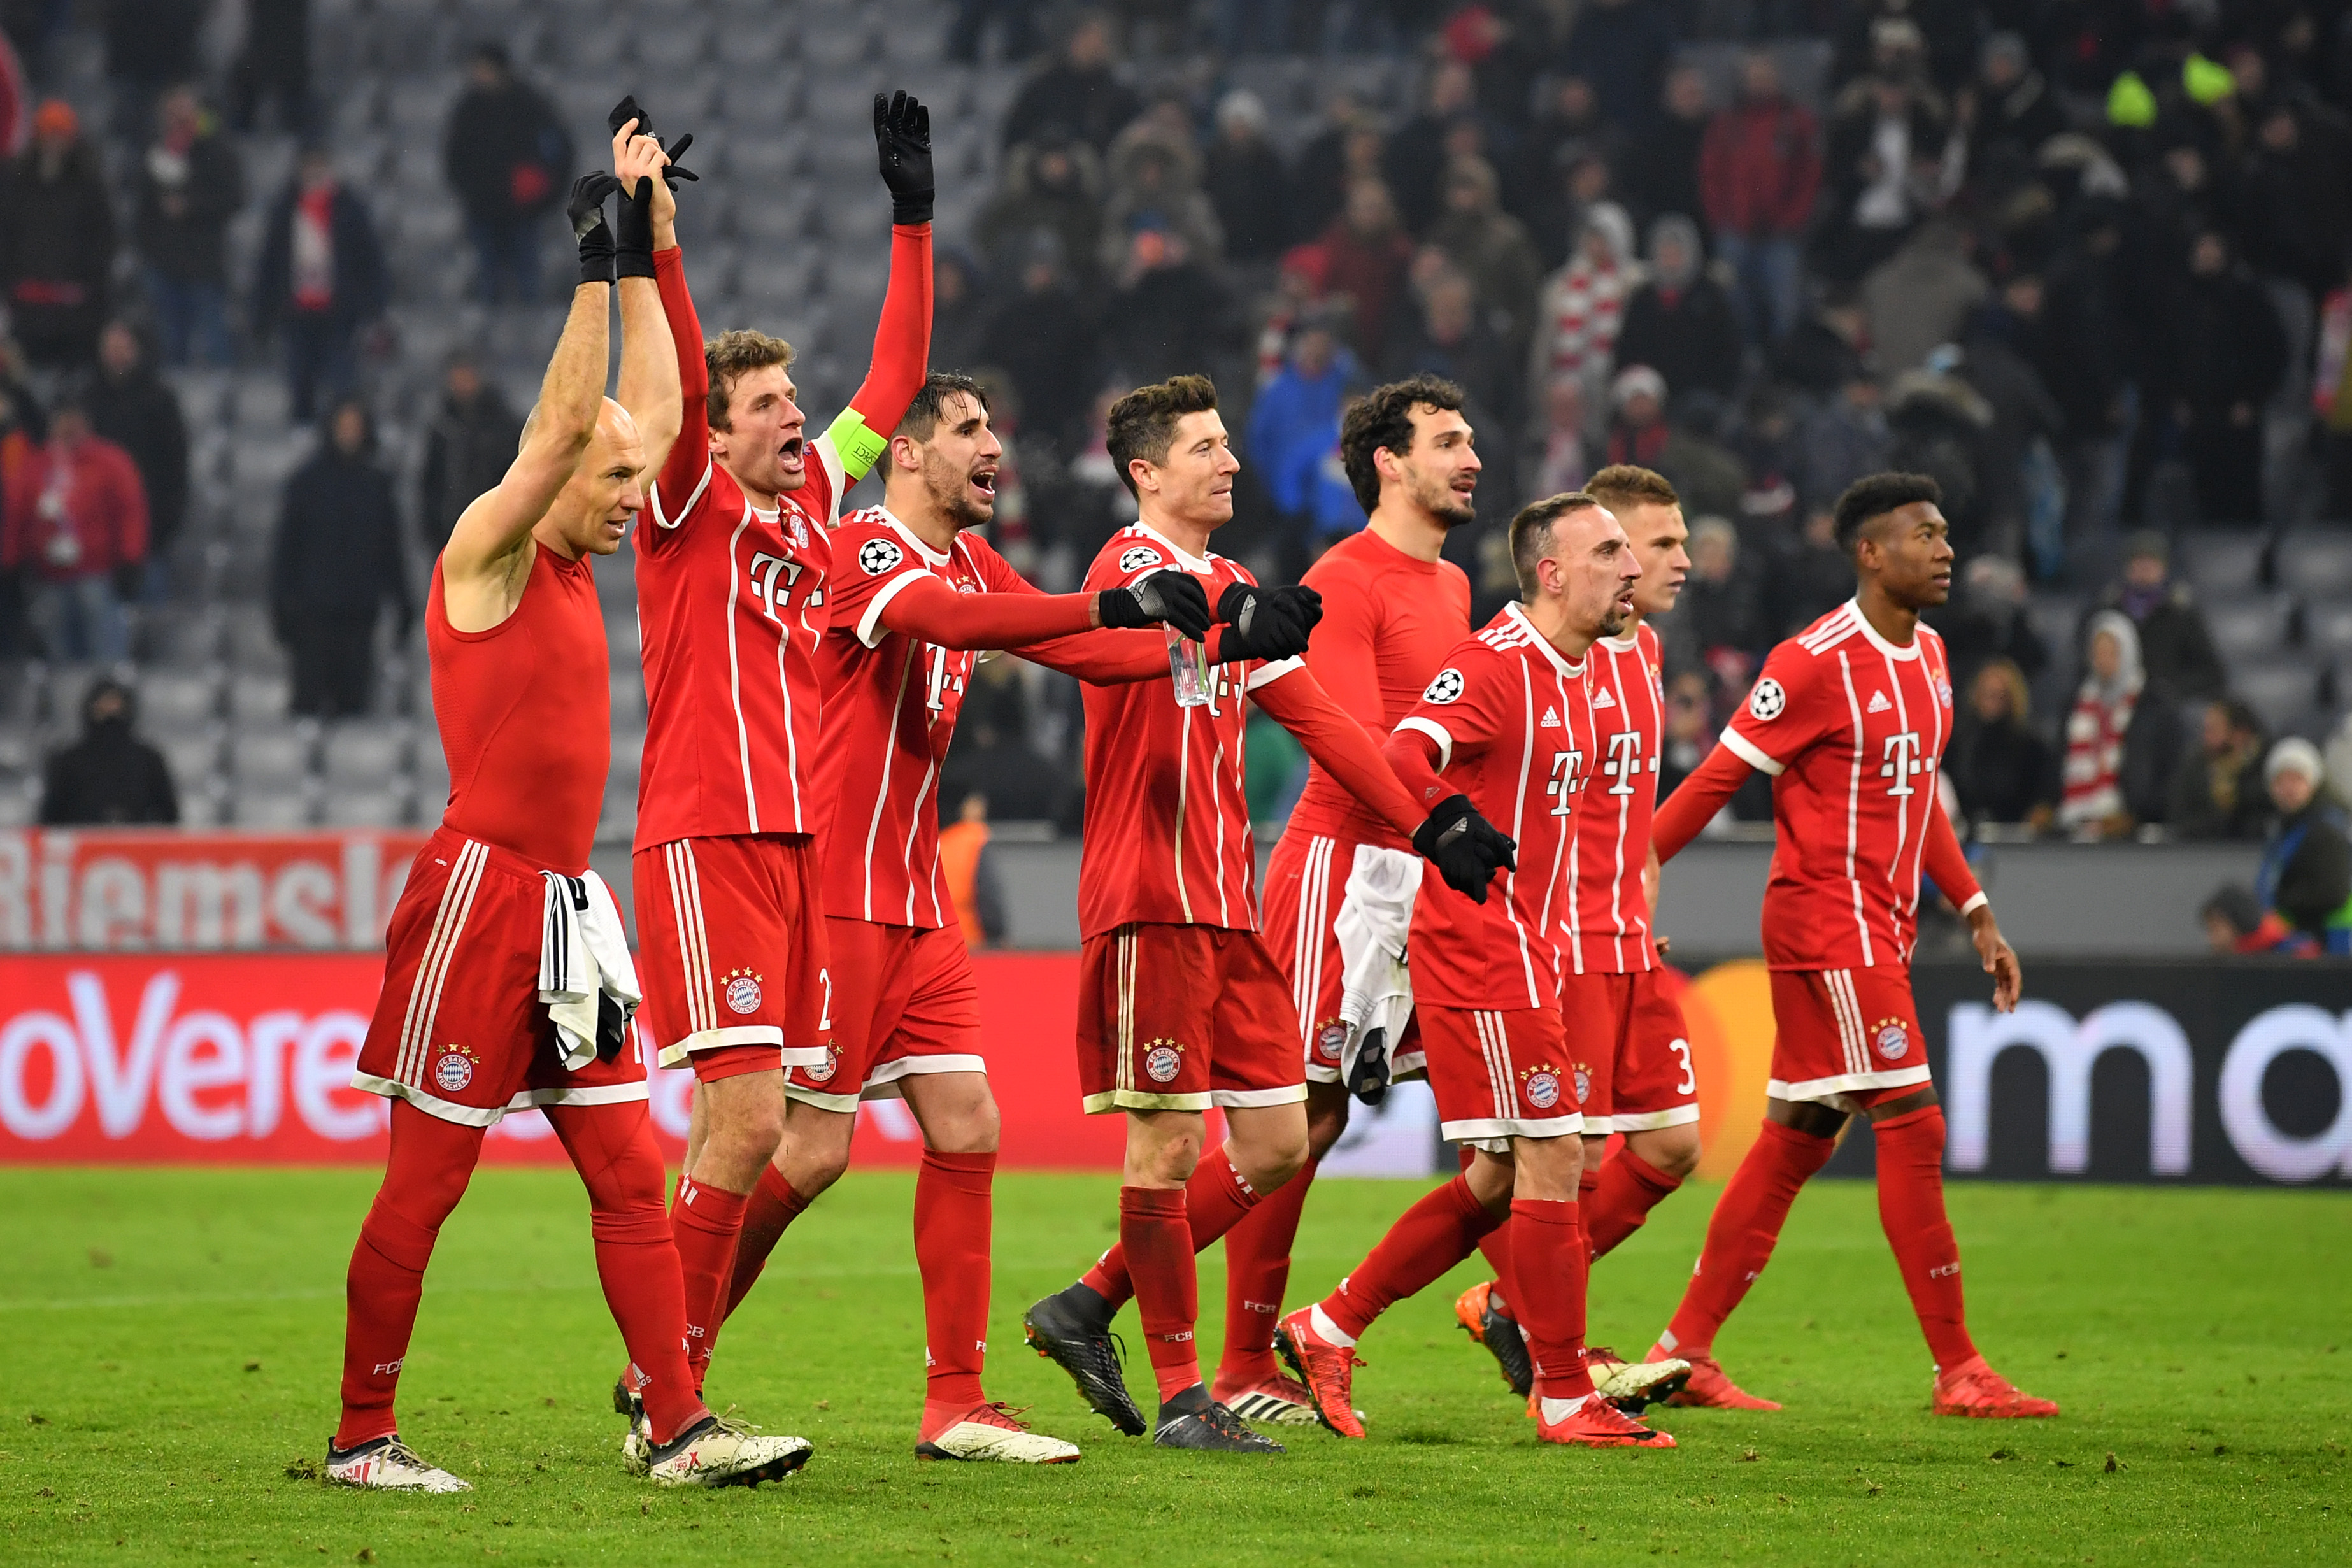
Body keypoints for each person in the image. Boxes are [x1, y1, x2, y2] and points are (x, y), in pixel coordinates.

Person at [329, 123, 805, 1493]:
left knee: (626, 1168)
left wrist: (652, 241)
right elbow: (565, 429)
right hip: (478, 896)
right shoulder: (483, 553)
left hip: (567, 912)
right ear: (552, 483)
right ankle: (364, 1437)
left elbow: (648, 417)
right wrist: (592, 272)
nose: (625, 505)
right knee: (425, 1184)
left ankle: (675, 1424)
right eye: (608, 488)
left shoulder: (581, 556)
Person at [714, 373, 1209, 1464]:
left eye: (996, 424)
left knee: (967, 1126)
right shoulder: (867, 547)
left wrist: (1217, 639)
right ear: (906, 453)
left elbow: (1066, 646)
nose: (996, 444)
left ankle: (956, 1403)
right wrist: (1109, 603)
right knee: (809, 1151)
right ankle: (669, 1358)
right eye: (969, 429)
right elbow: (958, 621)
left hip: (917, 900)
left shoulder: (966, 555)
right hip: (834, 894)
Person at [1020, 373, 1513, 1454]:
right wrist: (1224, 624)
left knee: (1284, 1134)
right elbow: (1105, 649)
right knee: (1161, 1151)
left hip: (1226, 901)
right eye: (1204, 447)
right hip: (1149, 890)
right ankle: (1189, 1394)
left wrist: (1430, 825)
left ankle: (1085, 1308)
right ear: (1147, 472)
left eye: (1228, 442)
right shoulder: (1128, 566)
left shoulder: (1234, 579)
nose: (1230, 460)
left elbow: (1326, 722)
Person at [625, 90, 937, 1411]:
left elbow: (892, 383)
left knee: (764, 1132)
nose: (796, 418)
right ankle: (674, 1391)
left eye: (793, 399)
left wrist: (912, 220)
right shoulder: (684, 495)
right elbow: (681, 366)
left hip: (792, 847)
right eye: (765, 404)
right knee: (752, 1123)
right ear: (718, 422)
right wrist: (660, 251)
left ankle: (665, 1383)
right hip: (702, 832)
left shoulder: (812, 496)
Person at [1628, 471, 2055, 1419]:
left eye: (1946, 532)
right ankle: (1959, 1370)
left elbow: (1919, 797)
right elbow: (1713, 779)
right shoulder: (1812, 660)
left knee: (1797, 1137)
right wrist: (1619, 873)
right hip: (1828, 920)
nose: (1945, 548)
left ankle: (1684, 1348)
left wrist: (1975, 906)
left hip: (1881, 925)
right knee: (1916, 1121)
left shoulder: (1934, 654)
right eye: (1924, 533)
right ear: (1870, 552)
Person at [1276, 488, 1683, 1450]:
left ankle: (1328, 1324)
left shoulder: (1587, 671)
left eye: (1634, 550)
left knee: (1503, 1174)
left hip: (1546, 947)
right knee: (1555, 1156)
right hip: (1480, 946)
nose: (1630, 568)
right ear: (1550, 571)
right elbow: (1403, 747)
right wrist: (1443, 821)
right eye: (1610, 551)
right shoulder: (1497, 664)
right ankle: (1561, 1392)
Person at [1209, 374, 1481, 1427]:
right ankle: (1234, 1358)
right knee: (1304, 1116)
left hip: (1417, 868)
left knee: (1458, 1128)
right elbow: (1356, 739)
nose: (1468, 458)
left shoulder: (1450, 584)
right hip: (1340, 868)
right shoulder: (1346, 576)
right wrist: (1445, 826)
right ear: (1389, 460)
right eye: (1447, 441)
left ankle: (1317, 1331)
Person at [1446, 462, 1702, 1402]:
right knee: (1539, 1161)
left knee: (1663, 1147)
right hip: (1551, 938)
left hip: (1619, 932)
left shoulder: (1641, 652)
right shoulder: (1544, 657)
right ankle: (1551, 1346)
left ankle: (1529, 1319)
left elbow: (1626, 811)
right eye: (1640, 544)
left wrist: (1641, 902)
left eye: (1664, 546)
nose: (1656, 562)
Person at [269, 398, 412, 718]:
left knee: (355, 706)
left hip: (359, 613)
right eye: (344, 427)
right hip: (313, 613)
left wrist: (402, 601)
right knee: (308, 703)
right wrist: (281, 604)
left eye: (356, 428)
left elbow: (390, 549)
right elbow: (287, 550)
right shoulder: (306, 484)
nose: (349, 434)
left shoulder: (377, 486)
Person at [0, 398, 146, 662]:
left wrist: (130, 559)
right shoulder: (37, 465)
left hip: (97, 573)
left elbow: (130, 512)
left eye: (74, 419)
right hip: (48, 578)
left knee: (104, 651)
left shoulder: (110, 462)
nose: (68, 427)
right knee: (57, 655)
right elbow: (18, 517)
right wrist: (11, 563)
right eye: (62, 419)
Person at [253, 147, 390, 422]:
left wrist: (372, 307)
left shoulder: (350, 210)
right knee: (300, 382)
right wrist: (263, 311)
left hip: (339, 312)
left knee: (342, 385)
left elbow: (369, 261)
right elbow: (271, 264)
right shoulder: (285, 211)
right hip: (297, 313)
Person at [1699, 52, 1821, 345]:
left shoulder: (1796, 122)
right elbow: (1710, 175)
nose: (1759, 84)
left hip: (1782, 234)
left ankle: (1784, 368)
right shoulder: (1726, 123)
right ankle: (1745, 365)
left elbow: (1811, 175)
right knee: (1731, 307)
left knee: (1786, 307)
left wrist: (1794, 219)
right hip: (1735, 231)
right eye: (1754, 77)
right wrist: (1721, 220)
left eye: (1765, 77)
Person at [442, 43, 571, 304]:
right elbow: (455, 156)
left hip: (523, 208)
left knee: (527, 277)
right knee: (488, 278)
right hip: (483, 208)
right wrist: (470, 192)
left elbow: (558, 153)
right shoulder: (468, 109)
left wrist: (543, 194)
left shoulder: (529, 105)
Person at [0, 100, 115, 367]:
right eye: (48, 133)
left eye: (60, 134)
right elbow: (7, 235)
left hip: (75, 305)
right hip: (26, 301)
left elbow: (103, 239)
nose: (53, 142)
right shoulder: (17, 182)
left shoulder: (89, 184)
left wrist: (88, 284)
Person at [83, 320, 189, 598]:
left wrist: (164, 523)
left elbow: (175, 468)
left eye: (123, 347)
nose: (116, 354)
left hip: (150, 528)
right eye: (110, 347)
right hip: (94, 540)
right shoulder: (86, 400)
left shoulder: (160, 401)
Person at [2057, 611, 2177, 838]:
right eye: (2098, 653)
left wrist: (2137, 815)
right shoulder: (2075, 705)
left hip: (2133, 829)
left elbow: (2165, 769)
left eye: (2112, 652)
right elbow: (2059, 761)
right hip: (2074, 824)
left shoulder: (2153, 706)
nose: (2104, 661)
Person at [2081, 534, 2225, 703]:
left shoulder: (2181, 613)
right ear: (2127, 567)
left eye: (2151, 561)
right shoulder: (2105, 610)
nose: (2145, 568)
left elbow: (2211, 673)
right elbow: (2084, 664)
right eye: (2139, 561)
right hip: (2112, 702)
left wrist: (2172, 690)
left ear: (2164, 568)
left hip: (2165, 709)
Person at [1614, 215, 1743, 404]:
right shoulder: (1642, 297)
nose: (1670, 259)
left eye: (1677, 252)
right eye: (1665, 252)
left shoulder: (1711, 296)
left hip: (1700, 393)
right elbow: (1628, 350)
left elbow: (1728, 353)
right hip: (1649, 395)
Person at [419, 353, 525, 555]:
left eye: (466, 375)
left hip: (496, 535)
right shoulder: (441, 426)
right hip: (451, 537)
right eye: (457, 376)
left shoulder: (505, 424)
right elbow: (430, 484)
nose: (462, 383)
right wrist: (433, 533)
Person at [38, 676, 177, 825]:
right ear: (90, 707)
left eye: (115, 703)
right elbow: (51, 818)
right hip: (84, 841)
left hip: (135, 843)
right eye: (103, 704)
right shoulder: (68, 760)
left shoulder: (149, 759)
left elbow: (169, 815)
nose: (110, 709)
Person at [2256, 739, 2352, 953]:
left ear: (2313, 784)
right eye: (2281, 781)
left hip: (2326, 946)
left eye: (2297, 780)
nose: (2289, 789)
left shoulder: (2327, 832)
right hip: (2294, 943)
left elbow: (2333, 892)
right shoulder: (2281, 830)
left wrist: (2283, 900)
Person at [999, 10, 1137, 156]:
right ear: (1074, 38)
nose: (1095, 44)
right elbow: (1015, 135)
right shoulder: (1043, 86)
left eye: (1101, 38)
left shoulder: (1119, 93)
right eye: (1089, 35)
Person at [1948, 659, 2053, 833]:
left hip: (2017, 838)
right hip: (1965, 834)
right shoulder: (1957, 742)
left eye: (1999, 695)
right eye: (1987, 694)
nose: (1992, 702)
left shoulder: (2032, 746)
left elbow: (2044, 797)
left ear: (2012, 698)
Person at [2169, 699, 2269, 843]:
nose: (2206, 738)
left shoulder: (2267, 765)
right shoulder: (2195, 764)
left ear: (2240, 734)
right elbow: (2179, 816)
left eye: (2213, 730)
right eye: (2205, 730)